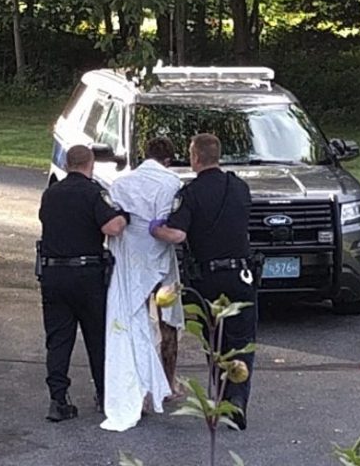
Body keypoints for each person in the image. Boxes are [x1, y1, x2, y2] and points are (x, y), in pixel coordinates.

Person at [150, 133, 257, 431]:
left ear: (195, 157)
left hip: (207, 278)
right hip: (241, 275)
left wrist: (155, 230)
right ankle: (237, 399)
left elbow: (178, 235)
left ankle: (221, 399)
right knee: (242, 341)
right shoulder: (239, 187)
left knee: (214, 341)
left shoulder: (191, 193)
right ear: (217, 156)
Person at [37, 145, 128, 422]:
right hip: (87, 275)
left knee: (58, 339)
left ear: (66, 164)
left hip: (53, 274)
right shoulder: (93, 193)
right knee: (97, 336)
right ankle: (104, 396)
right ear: (90, 164)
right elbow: (111, 227)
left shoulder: (50, 194)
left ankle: (58, 399)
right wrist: (125, 217)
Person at [100, 137, 184, 432]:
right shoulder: (172, 183)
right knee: (167, 321)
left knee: (131, 318)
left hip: (128, 258)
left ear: (143, 156)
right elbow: (170, 220)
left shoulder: (121, 184)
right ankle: (167, 382)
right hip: (159, 255)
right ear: (169, 160)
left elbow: (117, 216)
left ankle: (140, 384)